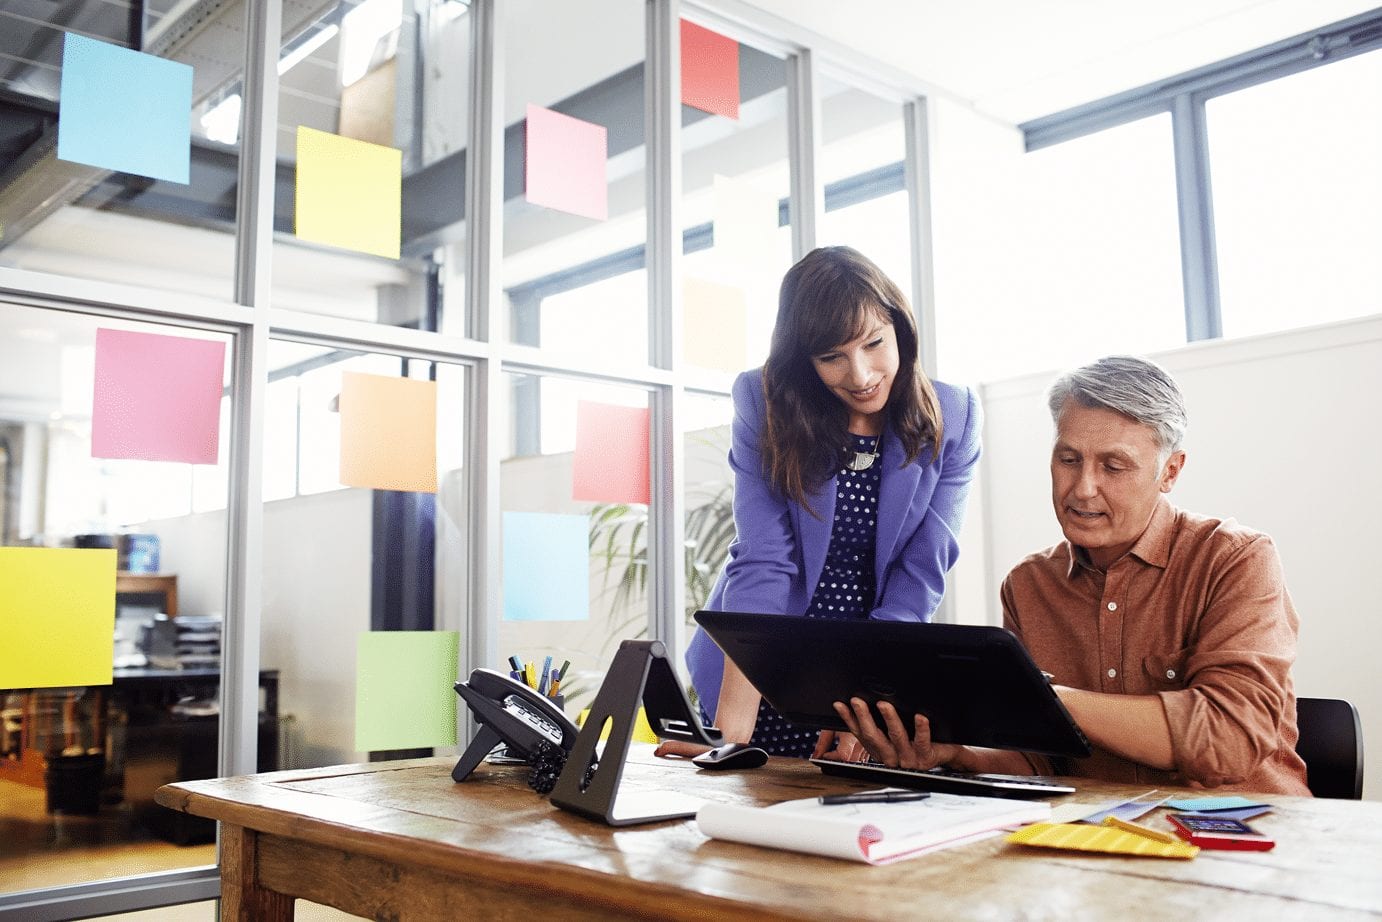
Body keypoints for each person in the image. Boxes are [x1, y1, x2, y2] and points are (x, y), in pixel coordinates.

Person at [837, 355, 1311, 795]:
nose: (1083, 488)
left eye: (1113, 466)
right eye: (1068, 460)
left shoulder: (1237, 560)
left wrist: (1045, 696)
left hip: (1245, 842)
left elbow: (1227, 739)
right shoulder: (1029, 585)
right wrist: (959, 753)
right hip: (1097, 842)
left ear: (1170, 471)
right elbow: (1045, 760)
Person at [657, 245, 982, 760]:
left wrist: (869, 703)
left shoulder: (956, 415)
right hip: (755, 675)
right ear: (805, 361)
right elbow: (764, 560)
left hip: (869, 679)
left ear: (900, 327)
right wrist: (731, 732)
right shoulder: (765, 404)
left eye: (874, 343)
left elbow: (919, 578)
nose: (860, 374)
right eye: (832, 356)